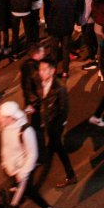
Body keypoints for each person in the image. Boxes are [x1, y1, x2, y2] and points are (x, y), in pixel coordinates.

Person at [0, 100, 56, 208]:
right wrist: (5, 163)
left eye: (1, 116)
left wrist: (23, 173)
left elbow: (32, 154)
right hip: (12, 171)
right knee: (29, 191)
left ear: (10, 117)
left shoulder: (25, 131)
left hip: (21, 174)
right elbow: (6, 147)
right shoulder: (5, 127)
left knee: (13, 203)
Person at [34, 57, 77, 188]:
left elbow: (64, 109)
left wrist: (58, 126)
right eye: (40, 69)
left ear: (52, 71)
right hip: (47, 121)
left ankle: (70, 175)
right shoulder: (40, 82)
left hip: (55, 124)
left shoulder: (59, 87)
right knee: (55, 147)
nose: (41, 72)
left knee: (57, 147)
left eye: (44, 69)